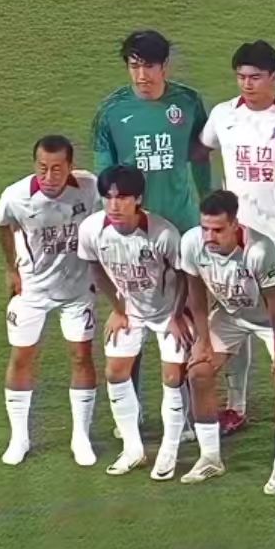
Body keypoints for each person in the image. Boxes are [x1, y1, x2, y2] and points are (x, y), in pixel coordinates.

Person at [198, 40, 275, 435]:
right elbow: (205, 147)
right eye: (241, 77)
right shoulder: (223, 115)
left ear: (274, 77)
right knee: (235, 315)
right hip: (232, 241)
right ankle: (235, 406)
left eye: (255, 77)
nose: (247, 84)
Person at [91, 29, 211, 437]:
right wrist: (111, 224)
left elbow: (200, 158)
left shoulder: (188, 102)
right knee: (133, 317)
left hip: (181, 222)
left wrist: (208, 203)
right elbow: (105, 175)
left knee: (187, 315)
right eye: (134, 66)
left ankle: (190, 412)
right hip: (132, 230)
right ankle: (135, 409)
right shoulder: (112, 111)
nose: (142, 75)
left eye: (149, 66)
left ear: (165, 66)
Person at [180, 190, 275, 492]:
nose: (209, 237)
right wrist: (202, 341)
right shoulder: (191, 243)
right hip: (231, 315)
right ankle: (210, 458)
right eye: (205, 228)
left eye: (218, 230)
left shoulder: (259, 250)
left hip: (274, 320)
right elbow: (196, 296)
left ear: (236, 225)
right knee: (198, 372)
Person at [77, 165, 194, 479]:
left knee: (172, 377)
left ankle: (168, 451)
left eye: (123, 198)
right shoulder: (91, 230)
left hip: (168, 311)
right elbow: (95, 269)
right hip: (131, 309)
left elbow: (184, 276)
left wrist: (177, 316)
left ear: (139, 199)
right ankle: (133, 449)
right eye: (108, 197)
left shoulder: (163, 234)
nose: (114, 205)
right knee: (115, 372)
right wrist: (118, 308)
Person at [0, 135, 99, 467]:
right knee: (22, 357)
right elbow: (2, 225)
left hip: (76, 290)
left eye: (56, 168)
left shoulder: (89, 187)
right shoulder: (16, 196)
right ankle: (19, 437)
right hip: (32, 290)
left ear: (70, 166)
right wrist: (11, 269)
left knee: (81, 356)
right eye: (42, 168)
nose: (49, 176)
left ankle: (80, 436)